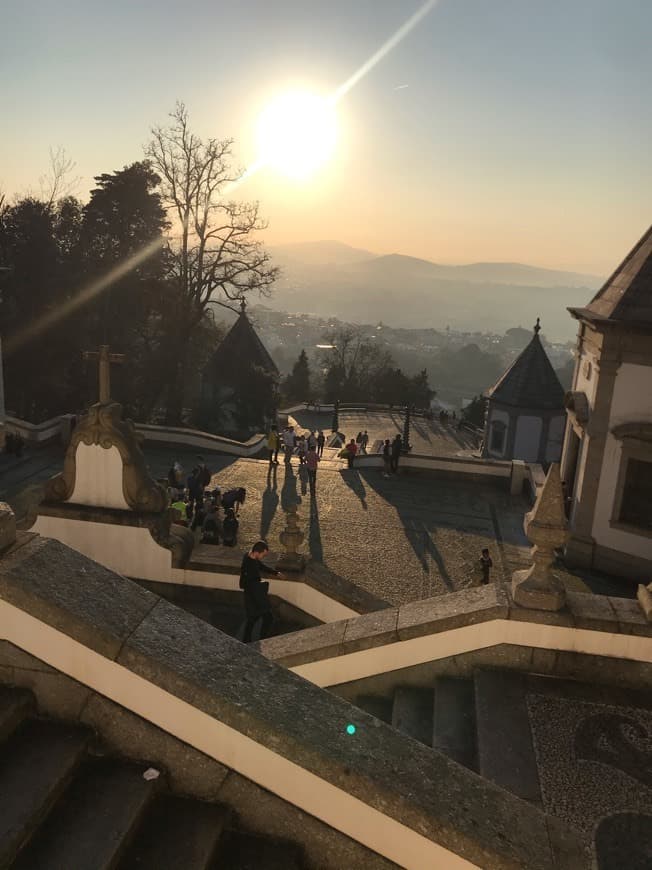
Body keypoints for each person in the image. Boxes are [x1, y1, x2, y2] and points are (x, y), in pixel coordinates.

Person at [240, 540, 284, 643]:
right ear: (257, 553)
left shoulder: (250, 556)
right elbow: (248, 583)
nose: (263, 557)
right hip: (254, 597)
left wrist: (275, 573)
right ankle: (261, 639)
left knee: (253, 620)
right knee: (266, 618)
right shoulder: (249, 564)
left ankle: (247, 641)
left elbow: (260, 566)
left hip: (254, 596)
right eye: (263, 555)